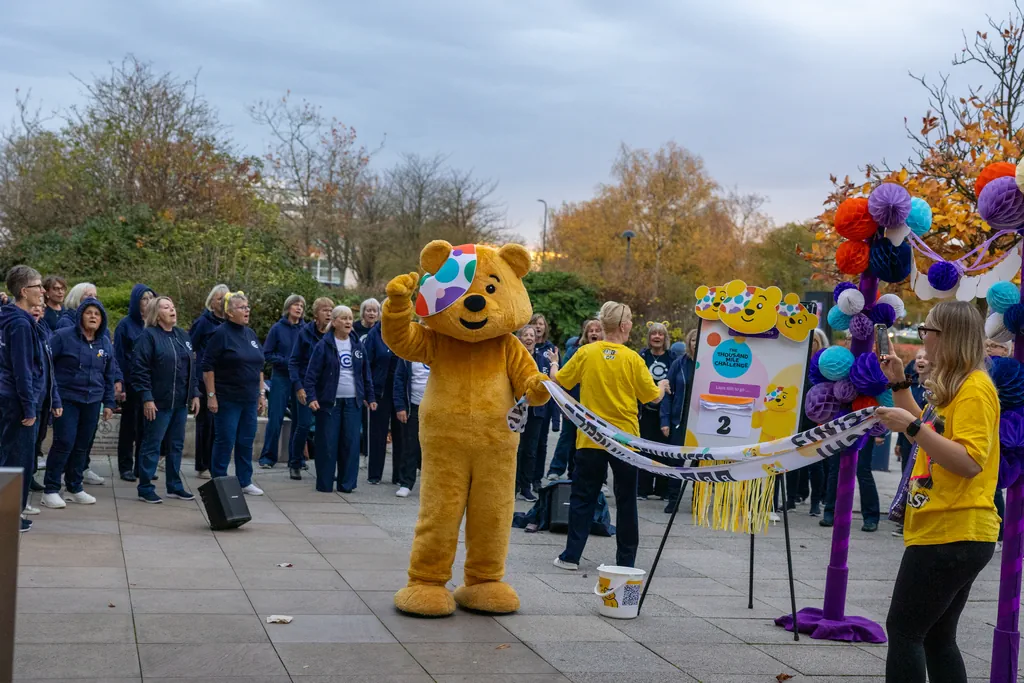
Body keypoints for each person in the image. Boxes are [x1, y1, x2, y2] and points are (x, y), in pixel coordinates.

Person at [875, 300, 1000, 683]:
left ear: (948, 336)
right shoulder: (958, 384)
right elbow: (931, 431)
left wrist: (912, 427)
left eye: (927, 330)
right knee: (935, 637)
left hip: (953, 529)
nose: (922, 336)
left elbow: (967, 461)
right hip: (950, 528)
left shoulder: (974, 389)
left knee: (905, 632)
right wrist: (899, 383)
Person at [553, 302, 666, 571]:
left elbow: (560, 380)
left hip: (591, 437)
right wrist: (662, 384)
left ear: (602, 325)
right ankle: (626, 560)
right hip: (626, 440)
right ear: (624, 326)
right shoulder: (633, 359)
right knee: (627, 500)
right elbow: (651, 397)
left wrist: (555, 364)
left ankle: (571, 556)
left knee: (583, 496)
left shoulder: (585, 353)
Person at [0, 265, 61, 532]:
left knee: (11, 458)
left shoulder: (12, 319)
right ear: (24, 291)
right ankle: (9, 517)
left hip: (13, 400)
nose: (43, 292)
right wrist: (29, 407)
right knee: (17, 461)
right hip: (17, 403)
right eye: (38, 287)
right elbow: (22, 369)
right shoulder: (20, 324)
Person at [40, 297, 117, 508]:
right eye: (89, 312)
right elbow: (46, 364)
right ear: (80, 315)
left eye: (97, 314)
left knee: (83, 445)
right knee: (64, 442)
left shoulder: (104, 342)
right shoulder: (63, 337)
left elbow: (109, 373)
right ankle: (51, 489)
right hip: (66, 399)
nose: (93, 317)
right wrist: (52, 397)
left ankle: (74, 487)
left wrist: (109, 402)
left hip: (92, 401)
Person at [131, 296, 201, 504]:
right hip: (158, 402)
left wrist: (195, 393)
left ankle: (175, 485)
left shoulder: (183, 335)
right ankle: (145, 487)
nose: (172, 310)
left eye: (173, 306)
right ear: (156, 313)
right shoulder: (148, 336)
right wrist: (147, 398)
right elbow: (140, 370)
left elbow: (192, 368)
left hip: (180, 402)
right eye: (166, 307)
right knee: (152, 444)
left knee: (176, 445)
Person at [304, 305, 375, 493]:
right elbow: (311, 375)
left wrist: (370, 396)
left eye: (350, 318)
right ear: (334, 322)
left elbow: (365, 373)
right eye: (343, 318)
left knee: (351, 444)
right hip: (330, 403)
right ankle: (325, 484)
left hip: (353, 402)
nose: (348, 322)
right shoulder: (324, 345)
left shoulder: (358, 345)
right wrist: (311, 397)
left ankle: (347, 484)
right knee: (328, 444)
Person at [203, 291, 267, 496]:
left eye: (248, 307)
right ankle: (219, 480)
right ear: (230, 313)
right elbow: (207, 366)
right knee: (225, 440)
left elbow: (259, 367)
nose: (247, 311)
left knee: (246, 440)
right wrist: (211, 396)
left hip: (249, 398)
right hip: (228, 398)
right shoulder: (220, 334)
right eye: (242, 307)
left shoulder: (250, 334)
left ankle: (244, 480)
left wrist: (261, 394)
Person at [546, 319, 602, 481]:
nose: (593, 333)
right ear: (585, 333)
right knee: (567, 437)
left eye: (597, 330)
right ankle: (556, 469)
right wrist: (564, 405)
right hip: (574, 402)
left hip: (596, 406)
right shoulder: (575, 351)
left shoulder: (607, 353)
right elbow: (563, 378)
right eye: (590, 330)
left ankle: (598, 479)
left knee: (594, 442)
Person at [288, 296, 334, 480]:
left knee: (326, 428)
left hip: (326, 388)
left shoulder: (334, 334)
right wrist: (298, 387)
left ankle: (325, 467)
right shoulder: (305, 333)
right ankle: (295, 463)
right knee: (304, 425)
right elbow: (293, 362)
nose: (329, 313)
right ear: (316, 315)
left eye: (331, 310)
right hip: (305, 387)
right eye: (325, 310)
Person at [114, 284, 156, 482]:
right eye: (144, 299)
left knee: (147, 427)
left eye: (151, 298)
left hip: (151, 384)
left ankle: (142, 466)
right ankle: (125, 466)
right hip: (131, 383)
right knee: (129, 426)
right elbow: (120, 356)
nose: (148, 302)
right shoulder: (126, 325)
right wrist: (120, 382)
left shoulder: (154, 325)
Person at [258, 294, 305, 469]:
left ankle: (296, 459)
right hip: (281, 378)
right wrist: (287, 362)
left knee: (300, 420)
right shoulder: (277, 328)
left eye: (301, 305)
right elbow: (267, 354)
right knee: (275, 418)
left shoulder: (305, 329)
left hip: (299, 380)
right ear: (288, 307)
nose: (299, 308)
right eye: (295, 305)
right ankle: (268, 458)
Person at [514, 325, 558, 502]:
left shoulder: (542, 360)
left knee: (531, 450)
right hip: (517, 409)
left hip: (537, 412)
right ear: (520, 338)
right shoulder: (515, 359)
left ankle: (526, 486)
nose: (529, 338)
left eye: (532, 335)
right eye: (525, 335)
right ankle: (513, 485)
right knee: (517, 448)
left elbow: (550, 385)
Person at [189, 284, 228, 479]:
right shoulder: (203, 322)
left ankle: (216, 463)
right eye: (218, 298)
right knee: (206, 423)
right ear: (211, 301)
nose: (221, 301)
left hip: (224, 380)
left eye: (224, 298)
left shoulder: (229, 323)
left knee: (220, 424)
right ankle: (202, 464)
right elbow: (191, 347)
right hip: (205, 379)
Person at [660, 328, 698, 513]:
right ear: (688, 343)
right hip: (679, 421)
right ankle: (673, 498)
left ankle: (698, 500)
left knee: (701, 462)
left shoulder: (712, 365)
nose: (696, 343)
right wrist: (665, 420)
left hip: (701, 422)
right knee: (676, 461)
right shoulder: (679, 364)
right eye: (693, 340)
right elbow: (667, 393)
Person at [638, 322, 676, 500]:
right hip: (645, 411)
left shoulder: (672, 358)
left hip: (665, 413)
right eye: (654, 333)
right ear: (649, 337)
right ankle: (642, 488)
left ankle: (663, 489)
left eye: (661, 334)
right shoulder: (641, 357)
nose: (657, 337)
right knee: (644, 449)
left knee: (664, 450)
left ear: (665, 338)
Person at [365, 320, 404, 485]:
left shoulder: (404, 330)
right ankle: (374, 474)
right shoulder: (375, 333)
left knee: (401, 432)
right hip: (380, 387)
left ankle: (399, 475)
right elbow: (366, 362)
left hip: (400, 387)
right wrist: (369, 392)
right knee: (377, 432)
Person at [393, 349, 431, 498]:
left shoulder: (441, 350)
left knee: (434, 448)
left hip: (435, 407)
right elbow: (399, 380)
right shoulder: (408, 354)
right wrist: (400, 406)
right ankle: (406, 483)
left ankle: (431, 484)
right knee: (410, 446)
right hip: (413, 407)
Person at [528, 314, 560, 488]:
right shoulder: (523, 347)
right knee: (525, 445)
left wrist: (556, 416)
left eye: (541, 324)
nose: (538, 327)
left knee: (541, 443)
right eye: (534, 324)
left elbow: (557, 380)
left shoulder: (551, 350)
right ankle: (522, 479)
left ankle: (536, 479)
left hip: (545, 404)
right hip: (526, 402)